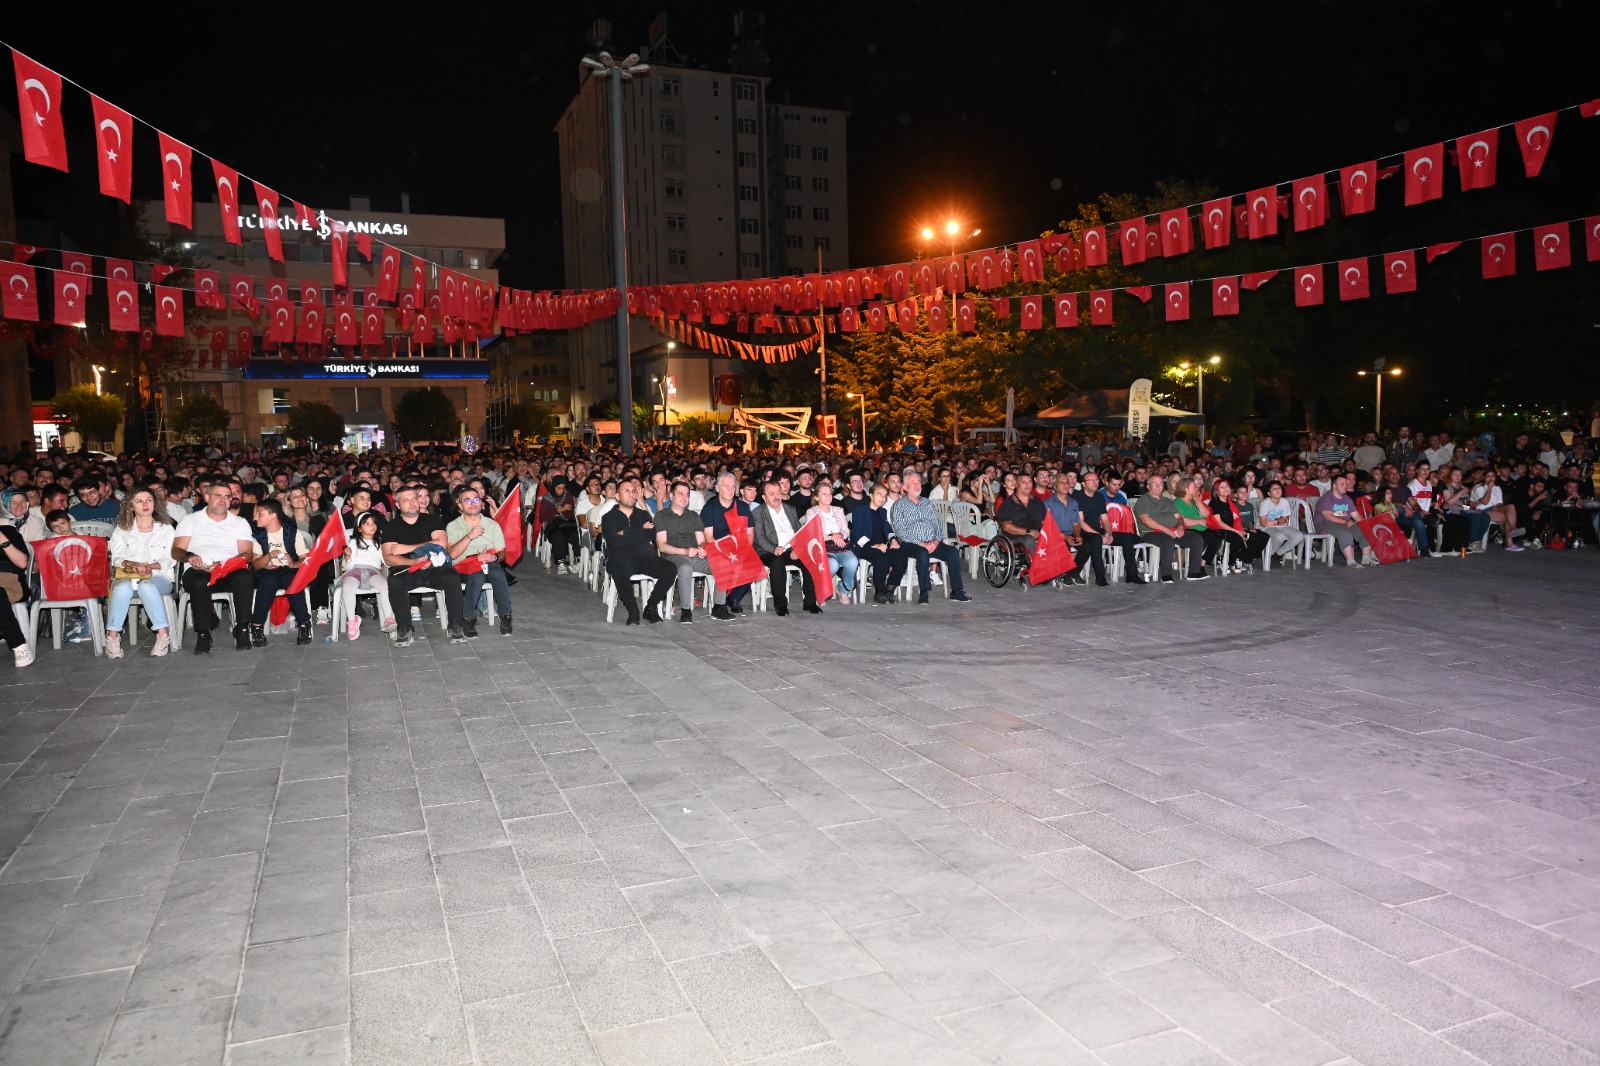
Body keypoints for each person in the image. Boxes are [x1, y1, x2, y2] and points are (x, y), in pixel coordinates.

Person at [173, 483, 256, 653]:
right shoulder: (190, 520)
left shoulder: (239, 523)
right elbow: (176, 551)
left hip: (228, 570)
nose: (223, 500)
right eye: (218, 495)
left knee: (244, 577)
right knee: (200, 581)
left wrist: (224, 565)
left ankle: (242, 629)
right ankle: (203, 634)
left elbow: (247, 554)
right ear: (206, 497)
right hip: (199, 570)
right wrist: (190, 556)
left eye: (227, 496)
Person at [381, 483, 468, 646]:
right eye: (406, 500)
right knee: (395, 580)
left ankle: (456, 625)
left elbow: (441, 544)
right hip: (407, 568)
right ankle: (405, 628)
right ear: (398, 505)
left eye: (415, 498)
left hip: (435, 566)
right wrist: (413, 561)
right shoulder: (391, 526)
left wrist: (405, 548)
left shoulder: (433, 520)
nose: (413, 502)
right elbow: (389, 558)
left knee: (452, 577)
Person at [105, 489, 176, 659]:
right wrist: (132, 564)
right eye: (139, 501)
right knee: (121, 589)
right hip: (131, 577)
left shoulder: (166, 529)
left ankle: (162, 634)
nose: (145, 504)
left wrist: (151, 566)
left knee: (147, 585)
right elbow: (117, 558)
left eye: (149, 500)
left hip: (160, 577)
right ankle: (112, 637)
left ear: (155, 503)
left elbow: (171, 558)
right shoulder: (122, 530)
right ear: (130, 505)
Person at [601, 477, 677, 625]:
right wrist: (640, 532)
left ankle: (651, 606)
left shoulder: (642, 514)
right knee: (619, 570)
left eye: (634, 491)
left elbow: (651, 534)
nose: (631, 494)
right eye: (626, 491)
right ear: (617, 496)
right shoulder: (609, 517)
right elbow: (613, 541)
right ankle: (633, 609)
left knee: (670, 568)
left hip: (644, 557)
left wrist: (625, 533)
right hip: (619, 558)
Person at [889, 471, 971, 603]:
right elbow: (900, 532)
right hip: (910, 544)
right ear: (905, 487)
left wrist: (936, 541)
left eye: (919, 482)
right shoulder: (898, 506)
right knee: (922, 553)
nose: (917, 485)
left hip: (932, 543)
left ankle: (957, 591)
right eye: (913, 483)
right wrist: (922, 544)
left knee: (953, 552)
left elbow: (938, 525)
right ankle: (924, 592)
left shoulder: (927, 503)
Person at [446, 485, 512, 636]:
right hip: (463, 566)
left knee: (496, 571)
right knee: (477, 575)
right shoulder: (454, 526)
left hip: (488, 563)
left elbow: (502, 553)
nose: (473, 503)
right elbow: (453, 554)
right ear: (460, 504)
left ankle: (506, 615)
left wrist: (493, 557)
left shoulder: (492, 525)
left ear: (481, 502)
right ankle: (468, 618)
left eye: (476, 499)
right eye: (467, 500)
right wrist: (470, 536)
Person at [248, 499, 313, 647]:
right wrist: (268, 556)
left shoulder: (291, 532)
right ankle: (257, 625)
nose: (255, 518)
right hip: (266, 571)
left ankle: (304, 623)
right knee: (268, 581)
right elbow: (256, 564)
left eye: (260, 514)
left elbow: (305, 559)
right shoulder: (258, 535)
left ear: (272, 515)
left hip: (289, 570)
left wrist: (293, 563)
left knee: (292, 581)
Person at [751, 479, 821, 615]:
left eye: (778, 493)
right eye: (772, 494)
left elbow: (801, 532)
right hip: (769, 551)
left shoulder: (790, 509)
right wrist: (773, 548)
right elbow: (758, 537)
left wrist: (798, 548)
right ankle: (781, 604)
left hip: (791, 549)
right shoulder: (758, 512)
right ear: (764, 497)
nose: (776, 497)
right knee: (777, 563)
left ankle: (810, 602)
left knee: (810, 559)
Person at [654, 480, 717, 623]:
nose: (684, 497)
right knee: (685, 567)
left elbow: (701, 540)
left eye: (687, 494)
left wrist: (703, 548)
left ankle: (719, 606)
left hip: (694, 554)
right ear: (671, 496)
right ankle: (686, 610)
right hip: (672, 555)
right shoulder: (662, 516)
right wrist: (685, 551)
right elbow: (662, 546)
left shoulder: (694, 516)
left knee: (720, 563)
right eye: (680, 494)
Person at [1133, 474, 1206, 581]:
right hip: (1150, 532)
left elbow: (1179, 517)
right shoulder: (1143, 500)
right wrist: (1167, 530)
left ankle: (1194, 572)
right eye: (1155, 484)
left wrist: (1180, 527)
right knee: (1167, 541)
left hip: (1172, 530)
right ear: (1148, 487)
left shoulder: (1167, 501)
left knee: (1196, 538)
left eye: (1161, 483)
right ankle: (1166, 574)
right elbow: (1146, 520)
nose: (1158, 486)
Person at [700, 472, 752, 618]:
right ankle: (719, 606)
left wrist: (744, 549)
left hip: (738, 547)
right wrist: (723, 551)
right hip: (717, 547)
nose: (730, 489)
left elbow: (750, 533)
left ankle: (733, 597)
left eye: (733, 486)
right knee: (725, 561)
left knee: (752, 562)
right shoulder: (710, 508)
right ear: (717, 488)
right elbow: (708, 536)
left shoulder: (742, 506)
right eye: (726, 486)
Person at [338, 511, 395, 639]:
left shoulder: (380, 542)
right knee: (347, 587)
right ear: (359, 528)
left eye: (374, 523)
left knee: (385, 586)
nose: (372, 526)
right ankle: (352, 622)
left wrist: (390, 553)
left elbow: (386, 563)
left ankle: (388, 619)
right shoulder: (353, 542)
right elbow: (347, 567)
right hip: (355, 570)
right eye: (367, 523)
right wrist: (346, 556)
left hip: (373, 571)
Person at [851, 482, 908, 605]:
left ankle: (889, 590)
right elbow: (857, 534)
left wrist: (893, 540)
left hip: (882, 545)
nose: (882, 498)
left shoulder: (882, 512)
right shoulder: (859, 511)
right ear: (871, 495)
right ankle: (879, 592)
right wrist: (875, 545)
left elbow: (887, 529)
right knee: (882, 559)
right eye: (879, 494)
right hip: (865, 546)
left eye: (885, 496)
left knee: (901, 557)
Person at [802, 481, 858, 604]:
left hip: (840, 545)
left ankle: (844, 589)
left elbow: (845, 529)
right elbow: (813, 535)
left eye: (830, 494)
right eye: (824, 494)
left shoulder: (838, 510)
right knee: (833, 565)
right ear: (816, 497)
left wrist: (841, 535)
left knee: (853, 562)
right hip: (821, 546)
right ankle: (821, 590)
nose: (828, 497)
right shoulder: (811, 512)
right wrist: (832, 536)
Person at [1315, 473, 1378, 566]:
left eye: (1346, 484)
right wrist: (1345, 522)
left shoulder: (1347, 498)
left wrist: (1365, 524)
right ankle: (1350, 561)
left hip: (1343, 523)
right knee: (1344, 532)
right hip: (1325, 524)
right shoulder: (1327, 498)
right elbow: (1328, 517)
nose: (1346, 486)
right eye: (1342, 484)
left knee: (1364, 529)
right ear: (1334, 486)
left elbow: (1356, 515)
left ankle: (1366, 558)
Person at [0, 504, 33, 667]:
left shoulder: (8, 532)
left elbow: (21, 563)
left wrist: (1, 539)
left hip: (10, 584)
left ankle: (19, 645)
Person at [1468, 470, 1523, 551]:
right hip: (1483, 510)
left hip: (1496, 509)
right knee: (1509, 518)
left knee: (1511, 506)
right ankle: (1510, 543)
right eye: (1488, 476)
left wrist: (1497, 506)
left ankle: (1513, 529)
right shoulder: (1479, 488)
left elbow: (1500, 503)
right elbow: (1485, 502)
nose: (1491, 478)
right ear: (1484, 477)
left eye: (1493, 476)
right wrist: (1489, 487)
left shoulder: (1497, 488)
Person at [997, 473, 1046, 559]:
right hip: (1017, 538)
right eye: (1024, 482)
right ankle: (1038, 568)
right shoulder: (1008, 504)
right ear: (1016, 484)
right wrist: (1028, 531)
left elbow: (1044, 521)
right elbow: (1006, 526)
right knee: (1029, 539)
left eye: (1030, 482)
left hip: (1038, 534)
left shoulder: (1037, 502)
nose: (1027, 485)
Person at [1257, 481, 1306, 565]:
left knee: (1299, 536)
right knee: (1280, 536)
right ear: (1269, 493)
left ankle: (1278, 554)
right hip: (1266, 528)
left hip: (1281, 526)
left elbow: (1284, 519)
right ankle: (1269, 554)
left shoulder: (1284, 501)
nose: (1278, 490)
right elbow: (1264, 523)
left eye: (1279, 488)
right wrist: (1278, 521)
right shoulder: (1265, 503)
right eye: (1274, 489)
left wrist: (1274, 522)